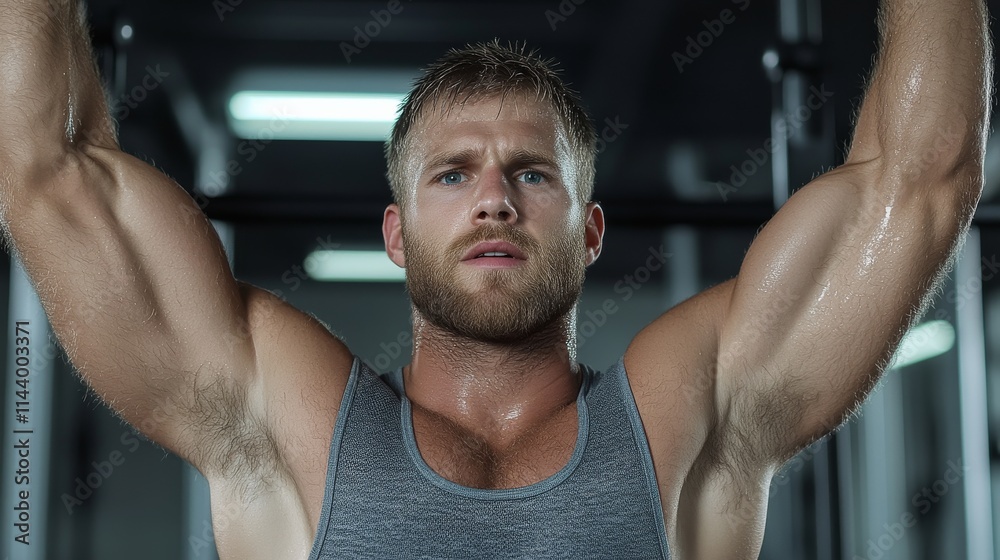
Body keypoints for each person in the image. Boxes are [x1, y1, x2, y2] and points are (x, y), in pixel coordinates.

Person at [0, 0, 993, 558]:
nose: (493, 201)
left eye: (530, 172)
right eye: (451, 174)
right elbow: (43, 168)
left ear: (591, 227)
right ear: (394, 231)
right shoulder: (282, 416)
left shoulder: (688, 413)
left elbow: (922, 180)